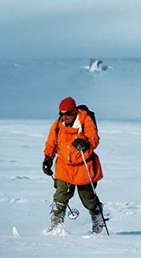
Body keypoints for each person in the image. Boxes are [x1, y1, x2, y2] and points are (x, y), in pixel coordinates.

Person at [43, 97, 105, 234]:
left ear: (74, 111)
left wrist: (85, 143)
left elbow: (93, 138)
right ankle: (55, 226)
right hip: (64, 166)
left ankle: (98, 223)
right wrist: (48, 158)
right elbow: (51, 143)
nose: (64, 117)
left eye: (67, 113)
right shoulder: (58, 125)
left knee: (88, 199)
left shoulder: (85, 120)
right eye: (61, 114)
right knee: (60, 196)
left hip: (84, 165)